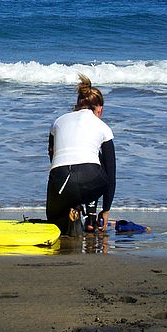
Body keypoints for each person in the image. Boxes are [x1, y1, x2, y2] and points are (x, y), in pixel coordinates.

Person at [46, 74, 116, 235]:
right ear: (99, 108)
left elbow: (52, 157)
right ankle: (92, 217)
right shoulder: (103, 126)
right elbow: (111, 174)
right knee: (96, 160)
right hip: (91, 183)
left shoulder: (57, 121)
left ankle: (71, 208)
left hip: (61, 183)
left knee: (55, 219)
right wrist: (106, 210)